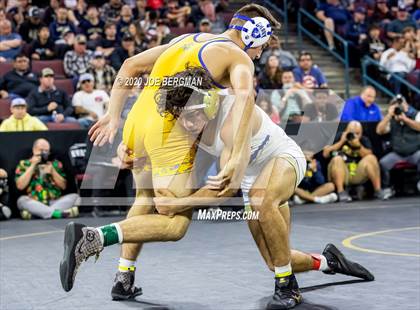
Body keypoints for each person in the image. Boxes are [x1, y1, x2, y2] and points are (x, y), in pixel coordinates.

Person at [60, 7, 373, 310]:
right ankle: (327, 261)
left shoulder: (225, 111)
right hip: (250, 172)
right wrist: (135, 145)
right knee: (276, 257)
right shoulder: (185, 121)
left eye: (191, 120)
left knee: (260, 205)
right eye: (180, 120)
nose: (187, 126)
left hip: (279, 156)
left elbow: (224, 183)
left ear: (206, 108)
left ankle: (287, 288)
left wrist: (183, 199)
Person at [323, 121, 391, 202]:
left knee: (371, 158)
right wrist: (341, 142)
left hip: (356, 172)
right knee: (337, 159)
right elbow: (325, 153)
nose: (354, 135)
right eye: (351, 132)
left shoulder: (363, 140)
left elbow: (369, 156)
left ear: (361, 133)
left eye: (357, 133)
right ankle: (341, 192)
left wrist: (358, 146)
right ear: (346, 130)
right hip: (341, 172)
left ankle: (378, 190)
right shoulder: (338, 137)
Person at [15, 138, 79, 220]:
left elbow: (63, 186)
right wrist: (32, 166)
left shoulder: (55, 164)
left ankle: (37, 214)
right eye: (41, 150)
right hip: (35, 201)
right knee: (21, 201)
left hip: (54, 201)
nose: (44, 153)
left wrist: (53, 172)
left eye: (46, 151)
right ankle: (56, 214)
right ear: (34, 150)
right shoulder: (24, 164)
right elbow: (20, 186)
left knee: (75, 197)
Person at [376, 96, 420, 191]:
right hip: (398, 154)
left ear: (406, 105)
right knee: (383, 163)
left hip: (414, 152)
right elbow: (379, 131)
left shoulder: (415, 114)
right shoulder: (391, 120)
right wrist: (389, 115)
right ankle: (386, 188)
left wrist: (405, 119)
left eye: (401, 105)